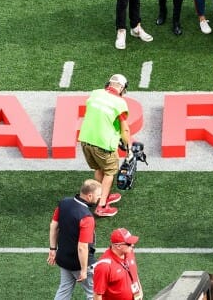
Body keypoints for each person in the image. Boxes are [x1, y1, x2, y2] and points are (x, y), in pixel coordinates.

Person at [78, 74, 133, 217]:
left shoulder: (95, 93)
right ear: (121, 87)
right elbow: (125, 129)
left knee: (98, 168)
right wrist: (128, 148)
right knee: (110, 172)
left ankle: (102, 195)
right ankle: (102, 205)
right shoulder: (120, 103)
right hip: (103, 143)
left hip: (85, 139)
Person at [48, 179, 102, 300]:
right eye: (98, 196)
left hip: (63, 258)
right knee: (93, 294)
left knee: (63, 291)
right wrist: (84, 269)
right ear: (89, 195)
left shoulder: (64, 203)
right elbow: (82, 247)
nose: (99, 199)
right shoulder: (86, 217)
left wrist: (52, 249)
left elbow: (54, 226)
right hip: (81, 263)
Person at [93, 228, 142, 300]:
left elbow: (133, 272)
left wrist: (140, 290)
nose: (132, 245)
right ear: (118, 246)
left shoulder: (129, 252)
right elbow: (97, 295)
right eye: (129, 244)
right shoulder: (104, 266)